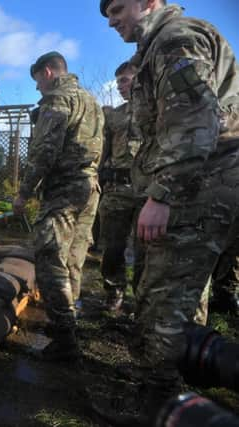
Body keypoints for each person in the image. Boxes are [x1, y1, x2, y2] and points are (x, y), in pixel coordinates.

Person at [99, 0, 239, 424]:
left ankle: (160, 405)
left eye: (118, 8)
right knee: (181, 295)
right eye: (106, 15)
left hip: (194, 192)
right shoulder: (161, 44)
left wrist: (161, 195)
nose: (112, 20)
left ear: (148, 2)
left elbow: (195, 123)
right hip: (198, 189)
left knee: (162, 303)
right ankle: (177, 388)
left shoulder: (175, 40)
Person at [13, 51, 103, 361]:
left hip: (64, 190)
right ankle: (70, 322)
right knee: (74, 257)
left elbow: (43, 152)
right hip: (90, 189)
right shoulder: (90, 101)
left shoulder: (57, 101)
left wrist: (24, 193)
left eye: (37, 80)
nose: (37, 87)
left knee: (50, 259)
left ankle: (65, 339)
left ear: (48, 73)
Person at [98, 61, 144, 314]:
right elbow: (103, 151)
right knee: (112, 247)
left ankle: (142, 299)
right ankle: (114, 292)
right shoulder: (114, 115)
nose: (120, 86)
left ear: (139, 79)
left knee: (144, 250)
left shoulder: (157, 110)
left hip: (145, 190)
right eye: (118, 82)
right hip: (116, 189)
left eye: (125, 80)